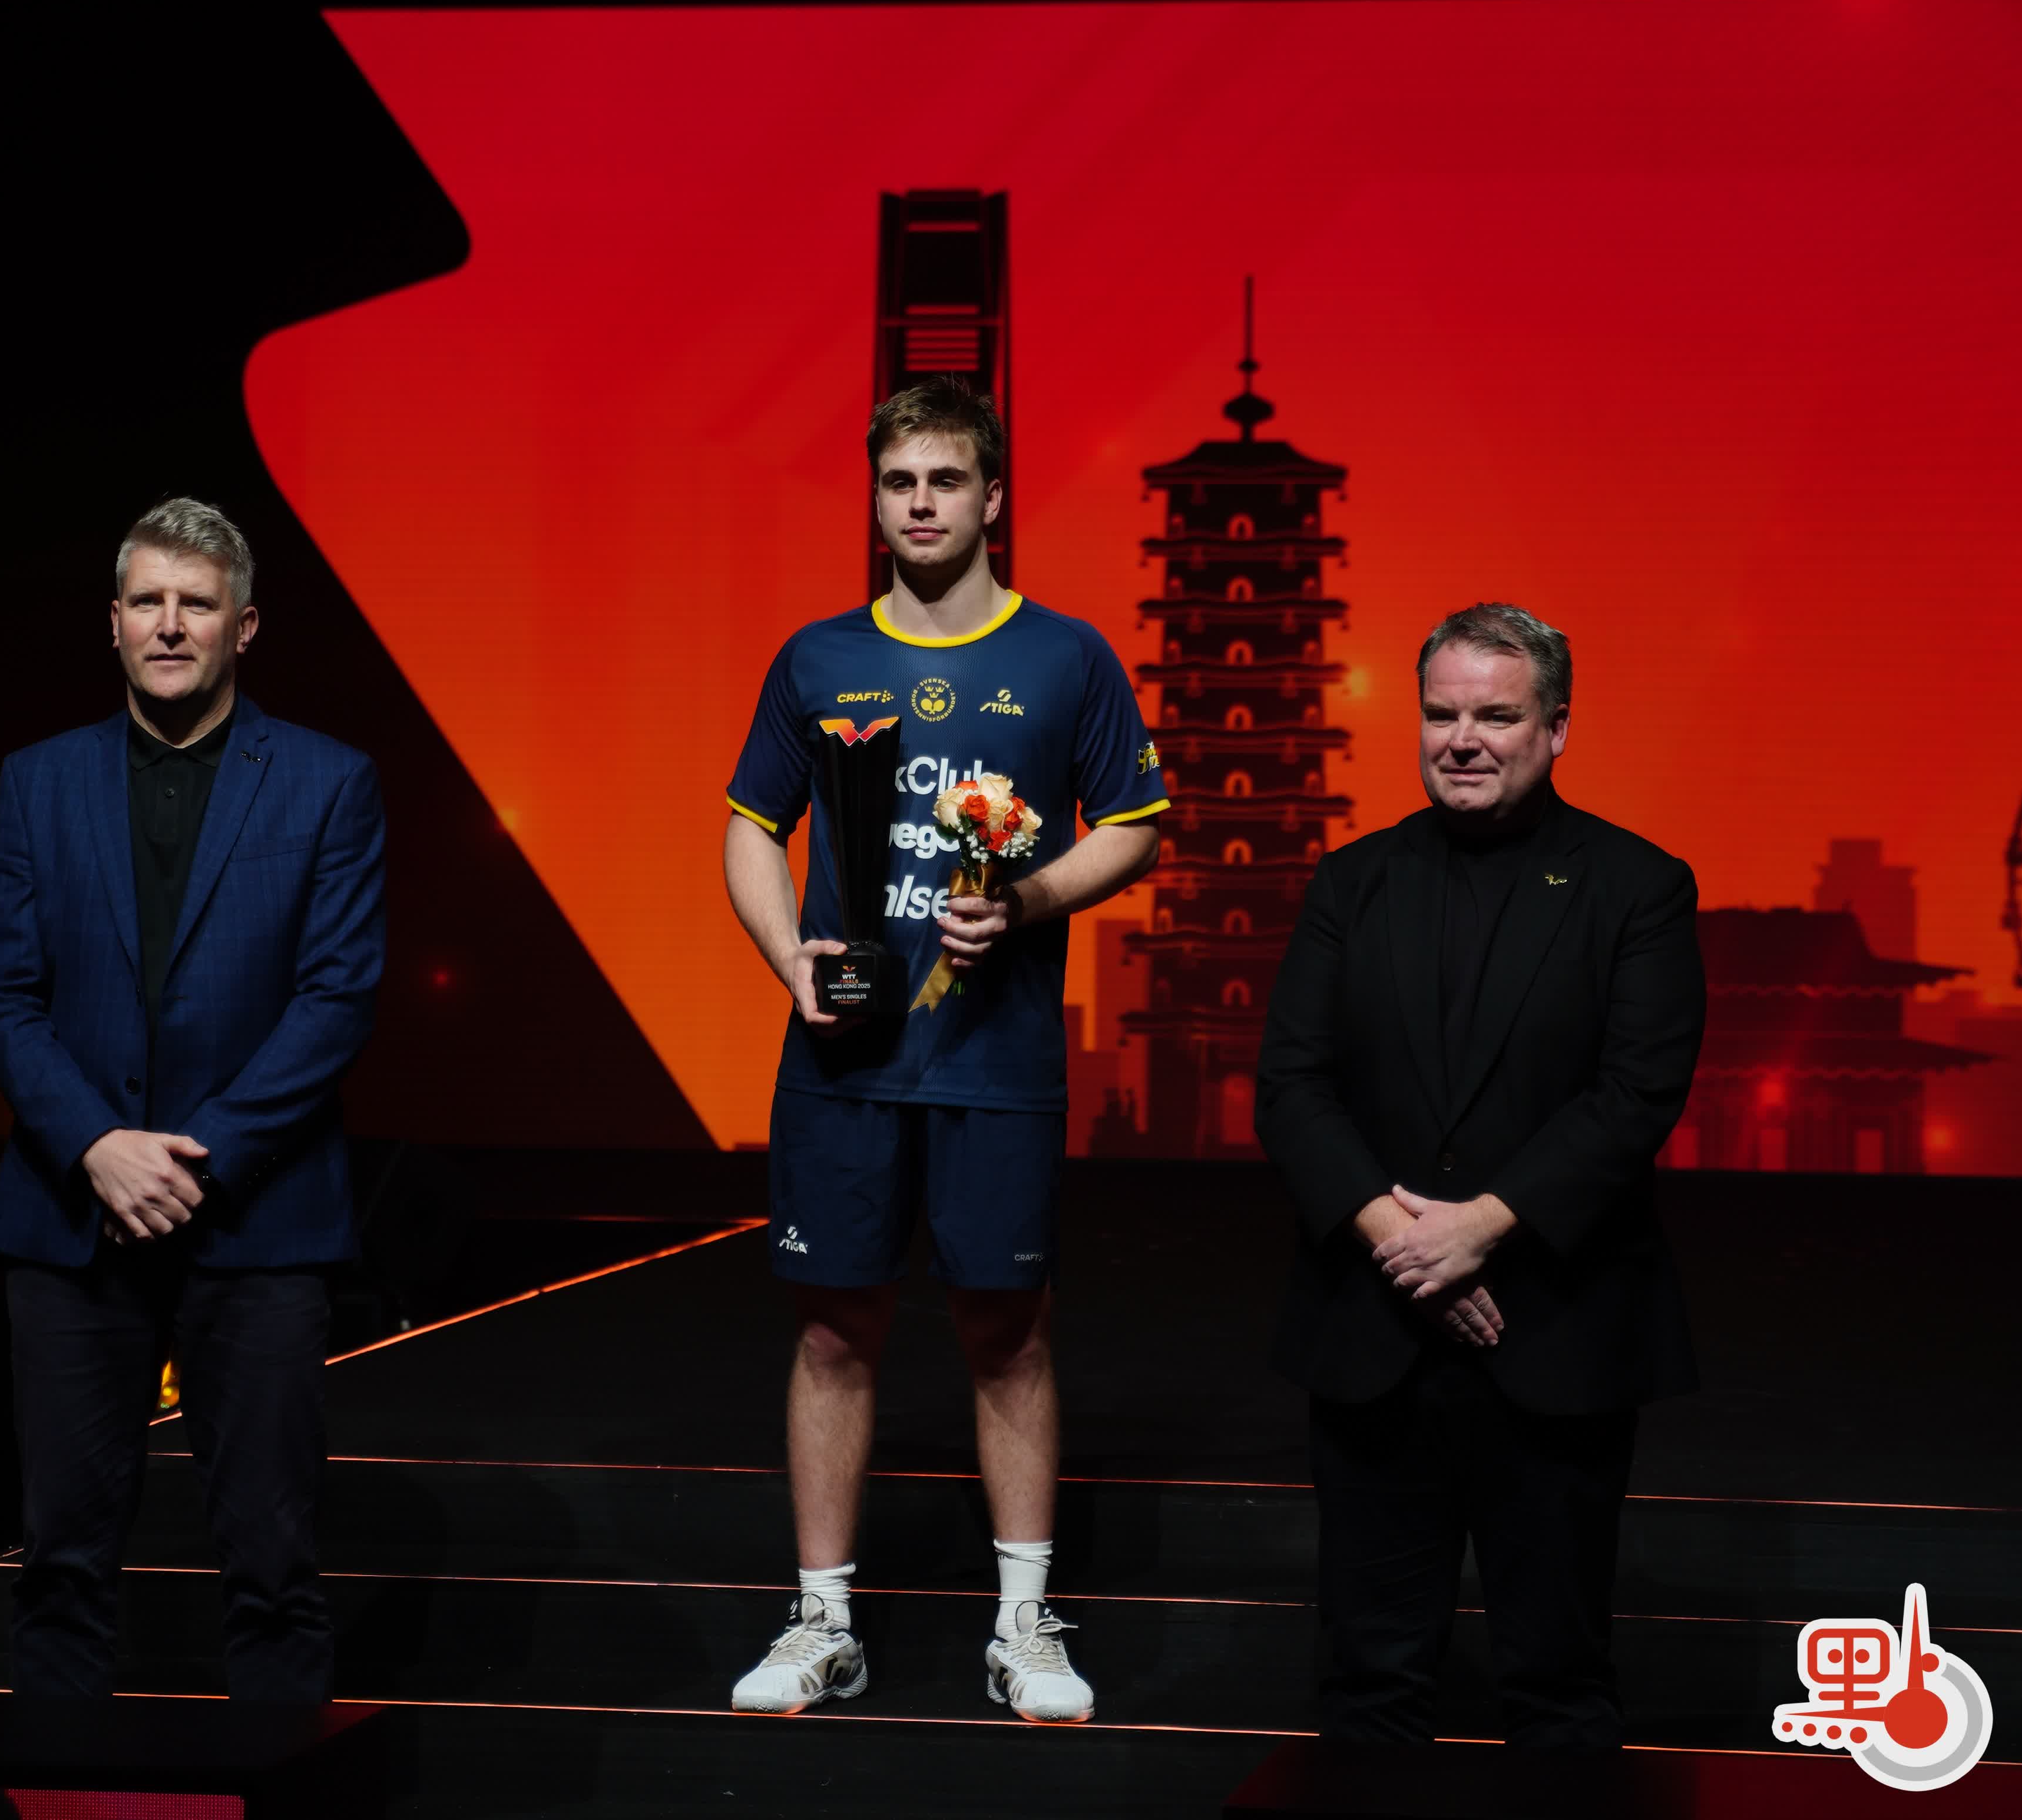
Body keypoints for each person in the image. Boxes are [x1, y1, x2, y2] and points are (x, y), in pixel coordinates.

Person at [719, 378, 1166, 1722]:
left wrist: (1026, 900)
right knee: (833, 1333)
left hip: (997, 1059)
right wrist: (789, 958)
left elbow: (1134, 824)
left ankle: (1024, 1625)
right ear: (875, 499)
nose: (921, 503)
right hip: (844, 1062)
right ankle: (824, 1621)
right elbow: (750, 827)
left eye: (946, 480)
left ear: (993, 497)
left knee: (1007, 1333)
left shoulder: (1068, 658)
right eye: (899, 481)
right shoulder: (814, 659)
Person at [1255, 603, 1705, 1748]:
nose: (1462, 739)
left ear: (1555, 729)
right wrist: (1403, 1241)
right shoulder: (1351, 881)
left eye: (1496, 717)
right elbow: (1292, 1086)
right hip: (1374, 1328)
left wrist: (1482, 1228)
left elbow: (1635, 1094)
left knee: (1559, 1686)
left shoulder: (1638, 886)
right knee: (1367, 1685)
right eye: (1440, 714)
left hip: (1555, 1326)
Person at [0, 495, 385, 1700]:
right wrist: (98, 1143)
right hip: (72, 1217)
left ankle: (278, 1784)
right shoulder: (38, 780)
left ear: (242, 626)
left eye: (194, 604)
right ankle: (58, 1783)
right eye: (146, 600)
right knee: (59, 1567)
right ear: (111, 621)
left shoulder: (329, 781)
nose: (167, 624)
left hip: (257, 1220)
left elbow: (337, 998)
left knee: (274, 1573)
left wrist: (193, 1157)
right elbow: (2, 996)